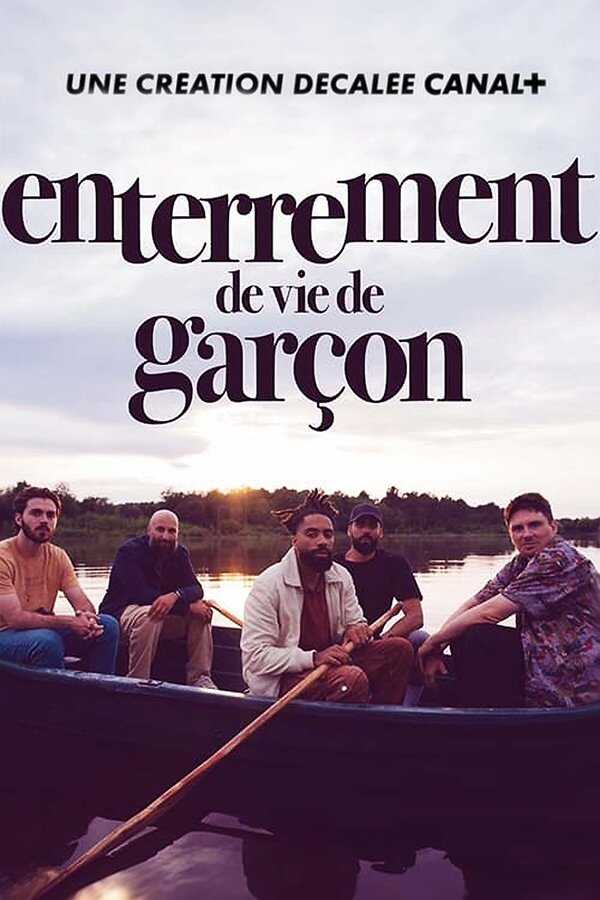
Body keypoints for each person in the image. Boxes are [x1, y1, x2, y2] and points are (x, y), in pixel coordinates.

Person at [418, 492, 600, 708]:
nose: (527, 534)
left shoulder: (558, 559)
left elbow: (489, 614)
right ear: (510, 534)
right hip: (541, 660)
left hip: (578, 679)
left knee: (476, 636)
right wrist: (437, 648)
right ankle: (478, 709)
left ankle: (484, 718)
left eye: (535, 525)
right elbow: (475, 603)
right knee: (464, 635)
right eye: (518, 528)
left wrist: (431, 643)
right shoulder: (522, 563)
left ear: (553, 527)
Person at [241, 490, 414, 703]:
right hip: (286, 676)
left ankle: (384, 718)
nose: (322, 541)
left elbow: (355, 621)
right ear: (294, 540)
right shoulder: (268, 584)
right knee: (351, 680)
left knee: (400, 649)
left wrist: (356, 629)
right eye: (312, 534)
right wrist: (313, 658)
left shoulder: (341, 576)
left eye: (328, 534)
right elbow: (256, 657)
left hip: (332, 663)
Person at [0, 486, 119, 673]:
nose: (44, 520)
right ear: (18, 518)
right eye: (36, 513)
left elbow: (82, 603)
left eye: (51, 515)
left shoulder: (58, 556)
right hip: (5, 634)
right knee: (47, 642)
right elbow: (15, 619)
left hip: (40, 632)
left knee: (108, 626)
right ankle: (54, 693)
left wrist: (87, 619)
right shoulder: (3, 557)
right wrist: (70, 622)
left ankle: (100, 689)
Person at [99, 509, 216, 688]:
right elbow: (141, 595)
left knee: (201, 614)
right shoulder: (129, 552)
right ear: (149, 530)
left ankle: (199, 678)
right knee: (151, 614)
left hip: (159, 617)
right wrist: (185, 607)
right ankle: (137, 680)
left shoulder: (180, 553)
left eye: (171, 531)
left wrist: (176, 595)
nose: (165, 536)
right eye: (160, 529)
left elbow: (196, 589)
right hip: (120, 617)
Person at [335, 502, 426, 705]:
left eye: (372, 526)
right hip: (342, 645)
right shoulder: (334, 567)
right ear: (349, 530)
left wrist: (384, 639)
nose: (366, 531)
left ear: (381, 532)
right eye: (360, 525)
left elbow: (415, 617)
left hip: (376, 640)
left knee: (421, 639)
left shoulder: (394, 564)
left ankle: (407, 708)